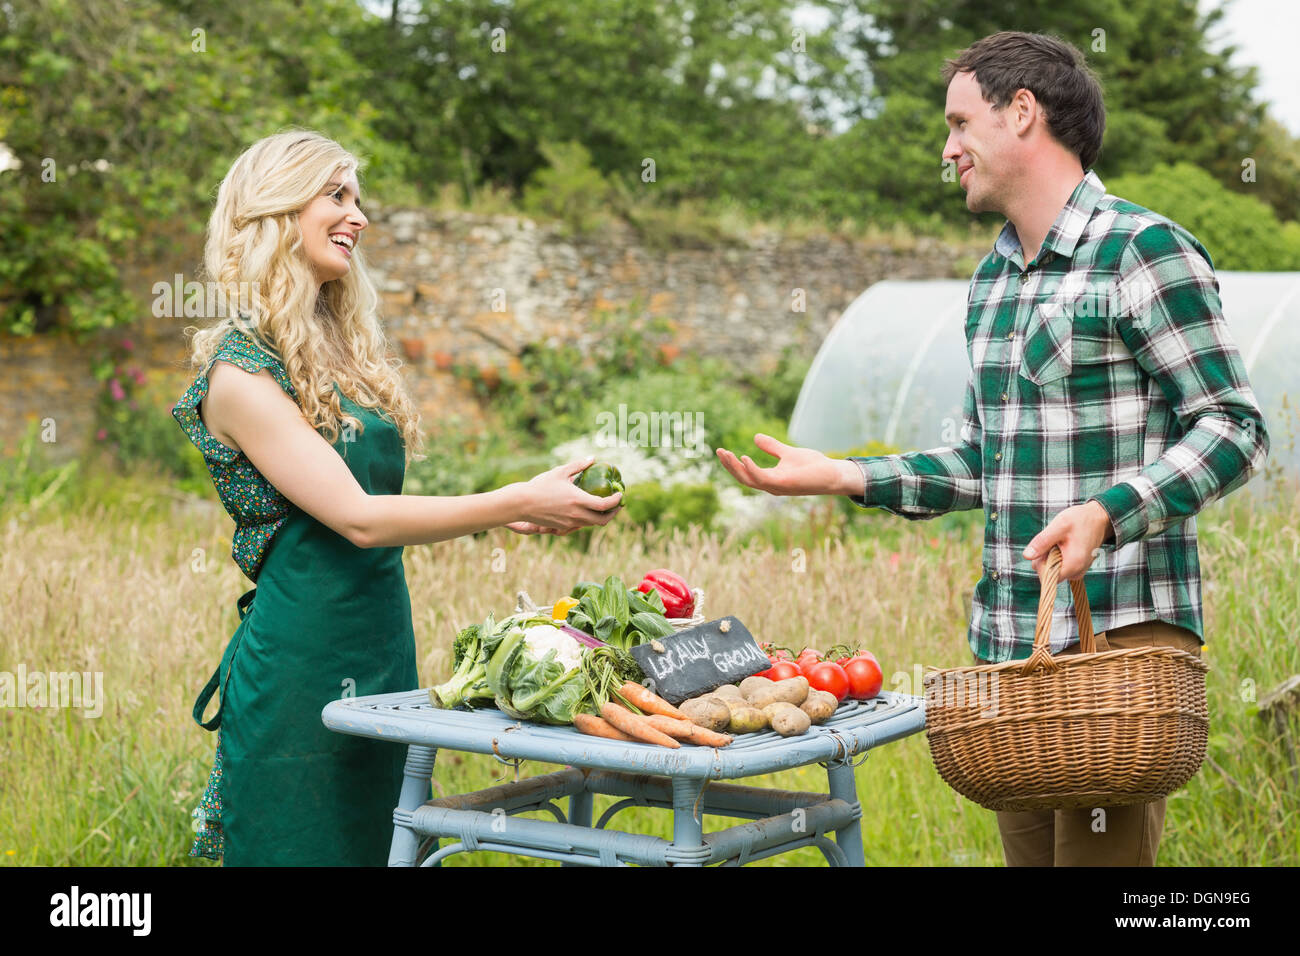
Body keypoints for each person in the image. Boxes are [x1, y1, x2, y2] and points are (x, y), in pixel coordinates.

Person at [716, 31, 1269, 867]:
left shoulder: (1142, 251)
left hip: (1117, 637)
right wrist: (843, 474)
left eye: (959, 123)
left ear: (1022, 112)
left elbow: (1235, 426)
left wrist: (1107, 515)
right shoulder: (992, 283)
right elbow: (985, 461)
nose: (948, 150)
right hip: (1014, 644)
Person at [171, 130, 622, 866]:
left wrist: (514, 512)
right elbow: (360, 518)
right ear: (277, 210)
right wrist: (511, 502)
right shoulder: (239, 374)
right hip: (299, 664)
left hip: (382, 644)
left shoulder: (335, 353)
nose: (360, 217)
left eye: (359, 199)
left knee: (383, 847)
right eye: (337, 195)